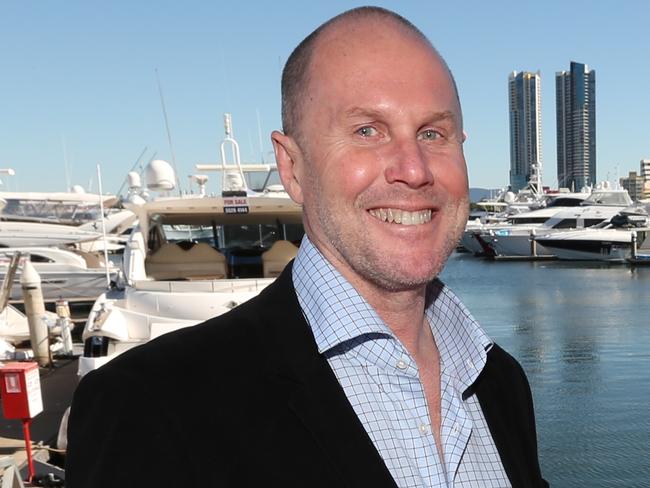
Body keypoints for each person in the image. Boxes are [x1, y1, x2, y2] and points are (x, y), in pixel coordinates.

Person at [66, 6, 548, 488]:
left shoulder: (499, 382)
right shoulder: (147, 406)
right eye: (367, 131)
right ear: (292, 167)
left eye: (432, 133)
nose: (414, 168)